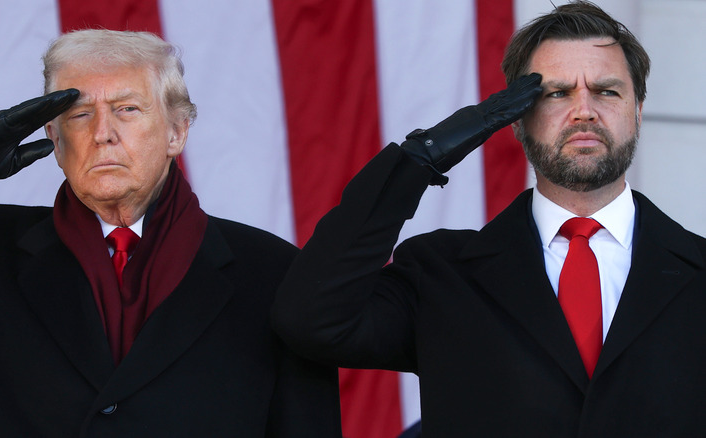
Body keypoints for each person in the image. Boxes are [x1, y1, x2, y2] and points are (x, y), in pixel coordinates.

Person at [271, 1, 706, 436]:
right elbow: (310, 318)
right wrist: (422, 157)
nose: (584, 110)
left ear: (638, 111)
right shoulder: (441, 275)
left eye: (607, 91)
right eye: (557, 93)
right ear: (516, 120)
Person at [0, 29, 340, 437]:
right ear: (54, 137)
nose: (102, 132)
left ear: (176, 133)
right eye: (79, 114)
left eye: (127, 109)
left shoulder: (274, 273)